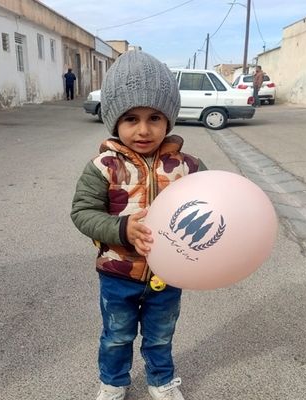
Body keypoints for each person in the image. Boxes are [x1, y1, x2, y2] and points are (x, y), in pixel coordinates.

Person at [71, 50, 207, 400]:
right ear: (114, 120)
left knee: (161, 335)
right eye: (131, 118)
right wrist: (122, 229)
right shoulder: (103, 166)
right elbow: (83, 212)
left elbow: (214, 205)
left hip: (169, 275)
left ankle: (161, 381)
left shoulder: (187, 166)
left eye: (155, 117)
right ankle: (114, 382)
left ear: (169, 120)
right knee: (117, 335)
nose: (144, 130)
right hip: (118, 274)